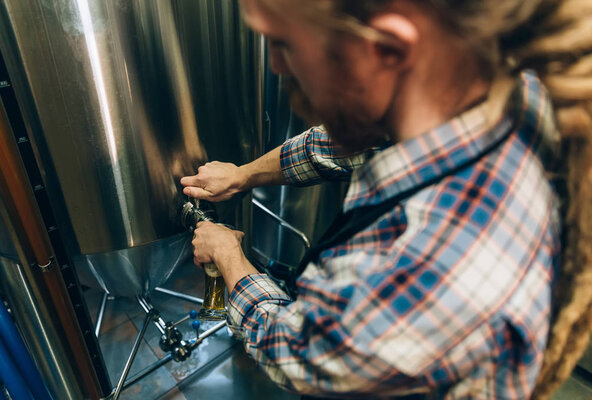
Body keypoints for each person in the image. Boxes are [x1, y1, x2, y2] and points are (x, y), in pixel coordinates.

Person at [181, 0, 592, 398]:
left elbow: (298, 353)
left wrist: (230, 256)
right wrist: (243, 175)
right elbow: (339, 143)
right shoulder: (469, 86)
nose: (274, 65)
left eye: (283, 43)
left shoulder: (443, 257)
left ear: (387, 49)